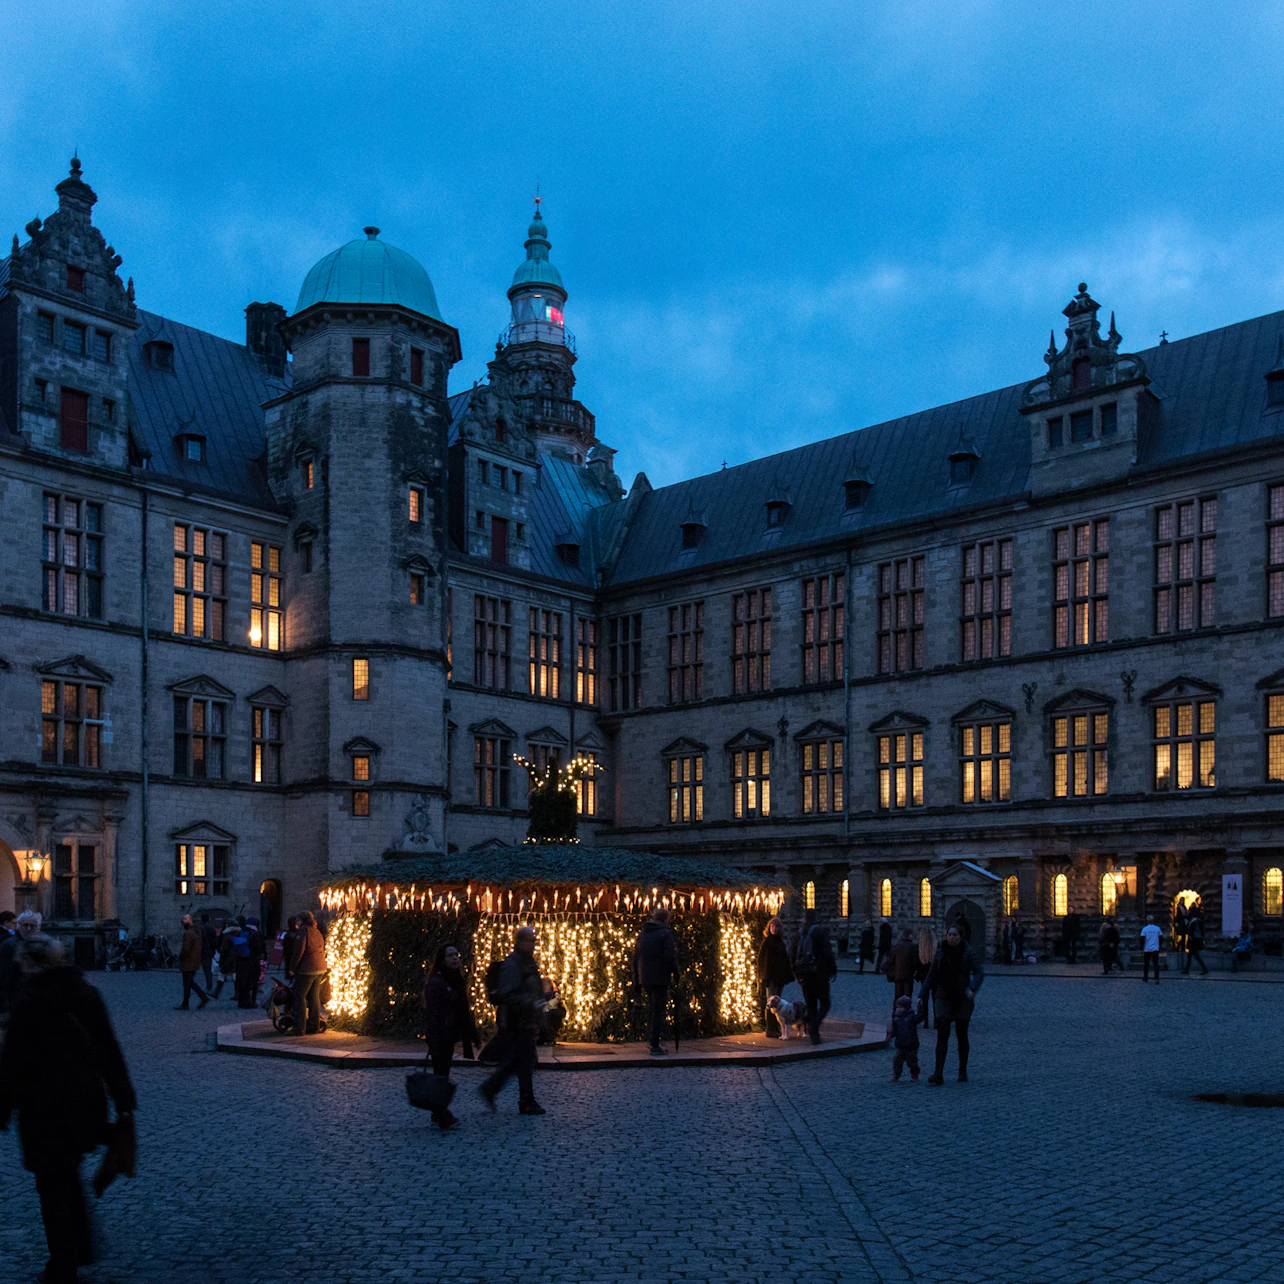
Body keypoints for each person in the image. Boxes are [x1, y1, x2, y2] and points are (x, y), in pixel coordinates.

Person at [0, 934, 137, 1284]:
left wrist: (3, 1107)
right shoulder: (87, 994)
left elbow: (12, 1064)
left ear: (30, 963)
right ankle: (81, 1247)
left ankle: (63, 1263)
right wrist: (123, 1101)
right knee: (67, 1172)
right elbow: (109, 1050)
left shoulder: (28, 1002)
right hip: (85, 1104)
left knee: (52, 1184)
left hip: (43, 1110)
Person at [480, 926, 547, 1115]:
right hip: (517, 1020)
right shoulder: (513, 963)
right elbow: (507, 993)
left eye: (534, 940)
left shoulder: (526, 962)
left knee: (522, 1059)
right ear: (520, 941)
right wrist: (531, 1003)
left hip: (526, 1018)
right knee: (524, 1059)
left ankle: (495, 1089)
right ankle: (524, 1100)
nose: (533, 944)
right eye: (530, 940)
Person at [422, 943, 478, 1131]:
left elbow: (462, 1009)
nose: (455, 958)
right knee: (441, 1075)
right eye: (450, 955)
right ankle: (440, 1112)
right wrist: (433, 1038)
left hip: (449, 1034)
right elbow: (433, 1013)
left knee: (443, 1074)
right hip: (441, 1035)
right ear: (442, 959)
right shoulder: (438, 983)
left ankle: (439, 1111)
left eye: (456, 954)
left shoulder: (455, 980)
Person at [919, 924, 984, 1084]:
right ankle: (938, 1073)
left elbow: (979, 972)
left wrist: (972, 988)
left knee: (962, 1035)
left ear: (960, 936)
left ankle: (962, 1072)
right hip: (943, 995)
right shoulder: (940, 951)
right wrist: (922, 995)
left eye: (955, 935)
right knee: (942, 1034)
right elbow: (932, 974)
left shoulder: (968, 951)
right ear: (946, 935)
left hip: (962, 997)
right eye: (950, 934)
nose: (952, 937)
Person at [633, 907, 679, 1056]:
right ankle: (654, 1044)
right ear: (665, 919)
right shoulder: (665, 934)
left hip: (645, 977)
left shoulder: (642, 934)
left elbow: (636, 957)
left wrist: (637, 978)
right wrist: (676, 973)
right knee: (658, 1011)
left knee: (652, 1010)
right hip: (660, 976)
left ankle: (652, 1040)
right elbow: (669, 956)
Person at [792, 909, 837, 1044]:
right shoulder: (820, 932)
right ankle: (814, 1027)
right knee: (825, 1003)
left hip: (804, 975)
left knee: (811, 1006)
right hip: (819, 974)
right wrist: (832, 970)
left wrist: (796, 974)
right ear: (815, 917)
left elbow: (792, 955)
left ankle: (815, 1035)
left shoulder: (798, 934)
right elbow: (827, 952)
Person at [289, 911, 327, 1034]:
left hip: (307, 969)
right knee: (314, 997)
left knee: (300, 996)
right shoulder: (317, 931)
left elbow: (298, 951)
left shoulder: (303, 931)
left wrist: (292, 968)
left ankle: (299, 1028)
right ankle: (314, 1025)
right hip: (320, 967)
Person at [0, 910, 43, 1016]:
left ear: (38, 927)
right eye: (25, 925)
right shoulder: (9, 945)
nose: (28, 929)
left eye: (32, 925)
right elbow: (4, 975)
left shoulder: (45, 944)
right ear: (19, 926)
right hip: (16, 996)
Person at [756, 916, 793, 1039]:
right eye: (772, 926)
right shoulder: (767, 942)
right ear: (769, 928)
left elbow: (785, 960)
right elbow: (761, 960)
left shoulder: (780, 942)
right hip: (770, 977)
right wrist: (761, 976)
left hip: (779, 977)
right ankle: (770, 1029)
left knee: (778, 1002)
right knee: (770, 1003)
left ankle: (777, 1028)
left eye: (776, 926)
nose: (774, 928)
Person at [176, 915, 211, 1010]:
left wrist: (180, 957)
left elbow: (185, 949)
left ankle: (198, 999)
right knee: (189, 982)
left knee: (188, 983)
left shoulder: (188, 934)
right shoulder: (197, 932)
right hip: (195, 961)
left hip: (188, 962)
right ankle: (189, 1001)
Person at [233, 916, 264, 1009]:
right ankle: (251, 1001)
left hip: (240, 960)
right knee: (252, 982)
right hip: (252, 961)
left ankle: (241, 1002)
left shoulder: (241, 932)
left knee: (242, 981)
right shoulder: (255, 934)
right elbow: (258, 948)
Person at [890, 993, 923, 1082]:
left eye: (901, 1007)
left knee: (912, 1061)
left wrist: (920, 1010)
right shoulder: (896, 1018)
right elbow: (893, 1028)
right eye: (897, 1007)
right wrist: (890, 1034)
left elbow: (919, 1018)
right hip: (900, 1044)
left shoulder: (911, 1017)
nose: (898, 1009)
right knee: (897, 1060)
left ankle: (914, 1074)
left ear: (907, 1008)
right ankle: (896, 1074)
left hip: (911, 1044)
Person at [885, 929, 919, 1009]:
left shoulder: (896, 946)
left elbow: (891, 961)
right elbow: (915, 963)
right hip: (908, 976)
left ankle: (895, 1016)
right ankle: (906, 1016)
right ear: (909, 936)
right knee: (907, 997)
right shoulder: (913, 947)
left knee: (897, 997)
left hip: (898, 976)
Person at [916, 928, 936, 1027]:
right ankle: (936, 1021)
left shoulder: (920, 949)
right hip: (935, 976)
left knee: (925, 998)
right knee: (935, 998)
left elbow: (917, 964)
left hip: (924, 975)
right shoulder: (937, 948)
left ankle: (926, 1021)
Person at [1183, 903, 1209, 975]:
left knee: (1194, 955)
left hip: (1193, 940)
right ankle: (1187, 969)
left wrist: (1188, 933)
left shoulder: (1193, 921)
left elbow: (1191, 931)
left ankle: (1204, 968)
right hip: (1195, 940)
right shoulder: (1197, 920)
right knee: (1191, 955)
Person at [1139, 915, 1163, 983]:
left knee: (1146, 964)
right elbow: (1161, 938)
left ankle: (1145, 977)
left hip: (1147, 948)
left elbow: (1142, 939)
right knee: (1156, 964)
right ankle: (1156, 978)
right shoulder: (1157, 928)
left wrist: (1141, 948)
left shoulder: (1145, 929)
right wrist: (1160, 946)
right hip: (1155, 948)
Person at [198, 911, 218, 992]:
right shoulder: (211, 928)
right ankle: (209, 985)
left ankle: (209, 986)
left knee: (206, 969)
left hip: (203, 951)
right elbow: (214, 941)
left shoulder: (201, 929)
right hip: (209, 951)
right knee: (208, 969)